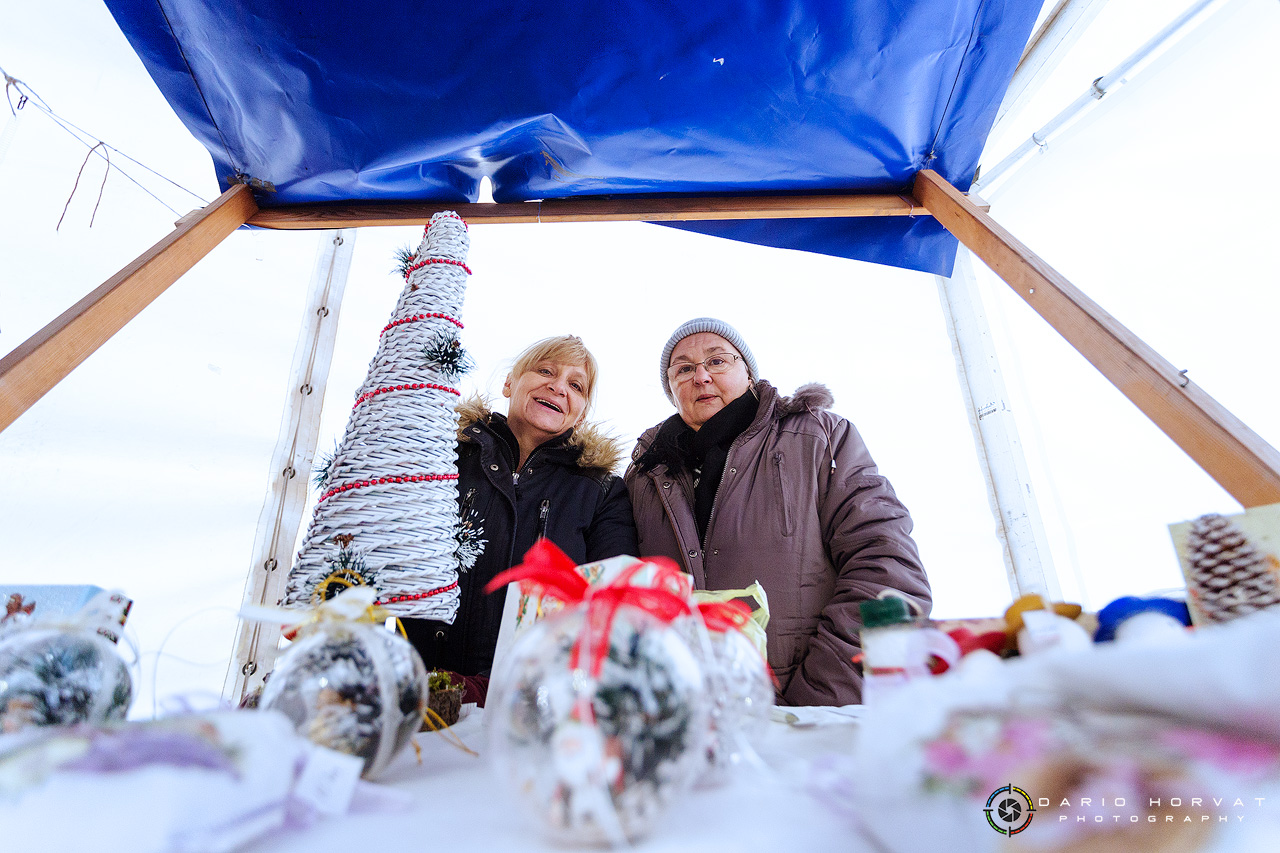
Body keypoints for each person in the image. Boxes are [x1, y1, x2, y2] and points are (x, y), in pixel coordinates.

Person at [626, 318, 930, 706]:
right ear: (671, 390)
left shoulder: (818, 438)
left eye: (717, 361)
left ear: (749, 374)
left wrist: (817, 697)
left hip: (815, 715)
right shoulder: (646, 475)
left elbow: (890, 571)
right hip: (688, 723)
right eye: (683, 369)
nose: (701, 376)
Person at [402, 335, 638, 703]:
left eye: (575, 385)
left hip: (530, 704)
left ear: (582, 411)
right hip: (416, 685)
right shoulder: (442, 458)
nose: (558, 387)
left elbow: (611, 606)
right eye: (545, 370)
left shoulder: (602, 492)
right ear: (509, 383)